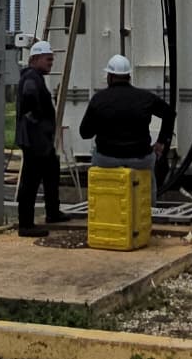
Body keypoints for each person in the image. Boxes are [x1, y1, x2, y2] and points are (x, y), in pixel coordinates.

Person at [78, 55, 175, 170]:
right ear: (129, 76)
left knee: (96, 157)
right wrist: (161, 142)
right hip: (140, 159)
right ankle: (151, 188)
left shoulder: (98, 99)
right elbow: (169, 113)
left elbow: (85, 133)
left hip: (106, 159)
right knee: (148, 181)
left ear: (110, 76)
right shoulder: (145, 97)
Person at [15, 40, 67, 236]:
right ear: (35, 59)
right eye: (48, 59)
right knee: (31, 180)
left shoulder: (35, 76)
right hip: (35, 140)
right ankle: (25, 224)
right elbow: (29, 96)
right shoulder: (31, 78)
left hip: (38, 139)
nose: (51, 63)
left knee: (51, 172)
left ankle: (53, 212)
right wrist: (36, 117)